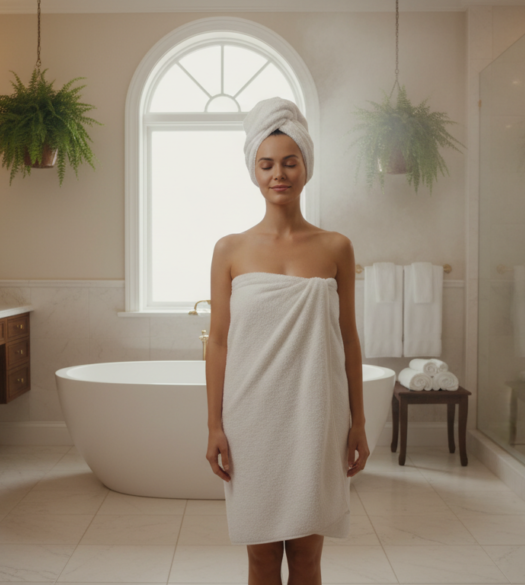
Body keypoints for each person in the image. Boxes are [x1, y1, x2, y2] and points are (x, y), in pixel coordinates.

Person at [204, 97, 370, 585]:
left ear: (306, 168)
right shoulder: (229, 250)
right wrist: (214, 425)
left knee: (306, 557)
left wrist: (358, 422)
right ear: (254, 171)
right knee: (259, 559)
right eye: (268, 163)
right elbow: (217, 342)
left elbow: (349, 339)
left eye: (290, 162)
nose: (280, 173)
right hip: (251, 417)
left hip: (315, 416)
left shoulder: (335, 246)